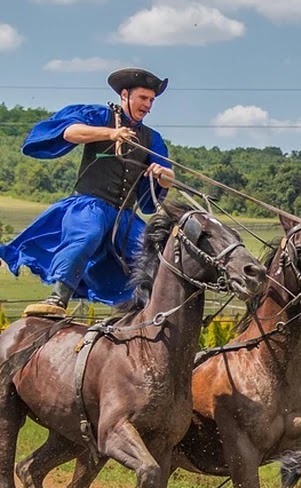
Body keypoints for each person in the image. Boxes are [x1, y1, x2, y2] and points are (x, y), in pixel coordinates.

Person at [0, 67, 176, 317]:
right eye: (143, 98)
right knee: (87, 234)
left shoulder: (151, 138)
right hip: (90, 205)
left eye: (151, 101)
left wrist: (163, 174)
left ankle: (141, 311)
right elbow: (70, 132)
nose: (148, 105)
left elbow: (168, 177)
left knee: (154, 253)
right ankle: (57, 298)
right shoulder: (100, 115)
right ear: (125, 95)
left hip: (124, 216)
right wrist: (110, 133)